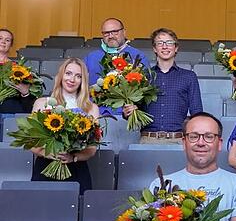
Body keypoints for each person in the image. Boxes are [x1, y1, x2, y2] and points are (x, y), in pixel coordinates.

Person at [29, 58, 100, 193]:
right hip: (45, 167)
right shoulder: (42, 103)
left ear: (82, 81)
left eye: (78, 76)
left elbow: (92, 149)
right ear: (61, 75)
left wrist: (72, 157)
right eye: (68, 73)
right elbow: (32, 142)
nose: (72, 79)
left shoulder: (91, 108)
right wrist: (49, 153)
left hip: (77, 169)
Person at [122, 28, 203, 144]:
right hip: (148, 139)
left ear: (176, 48)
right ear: (154, 48)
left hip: (179, 140)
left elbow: (197, 112)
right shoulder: (142, 76)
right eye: (160, 43)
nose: (165, 47)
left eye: (169, 43)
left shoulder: (189, 77)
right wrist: (128, 112)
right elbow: (133, 110)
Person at [84, 18, 151, 89]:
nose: (111, 36)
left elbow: (145, 84)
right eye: (106, 33)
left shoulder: (138, 56)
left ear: (124, 32)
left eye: (115, 31)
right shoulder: (91, 58)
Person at [0, 28, 35, 115]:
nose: (3, 41)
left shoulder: (18, 69)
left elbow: (26, 102)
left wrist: (25, 92)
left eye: (7, 40)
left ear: (10, 45)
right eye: (0, 38)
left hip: (8, 108)